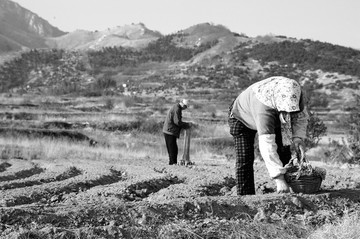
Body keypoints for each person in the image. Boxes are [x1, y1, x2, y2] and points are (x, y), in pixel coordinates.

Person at [228, 76, 309, 195]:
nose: (288, 114)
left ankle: (291, 189)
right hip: (241, 117)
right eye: (285, 112)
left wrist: (298, 138)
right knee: (245, 157)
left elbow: (300, 117)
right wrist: (278, 178)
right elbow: (267, 145)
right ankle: (246, 197)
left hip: (273, 112)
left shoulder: (296, 94)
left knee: (284, 151)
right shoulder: (264, 110)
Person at [163, 99, 191, 165]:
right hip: (169, 131)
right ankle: (173, 164)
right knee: (173, 150)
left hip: (169, 131)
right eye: (186, 107)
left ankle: (172, 163)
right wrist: (186, 125)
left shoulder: (177, 107)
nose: (185, 108)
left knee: (173, 149)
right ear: (183, 105)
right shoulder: (177, 109)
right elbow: (177, 122)